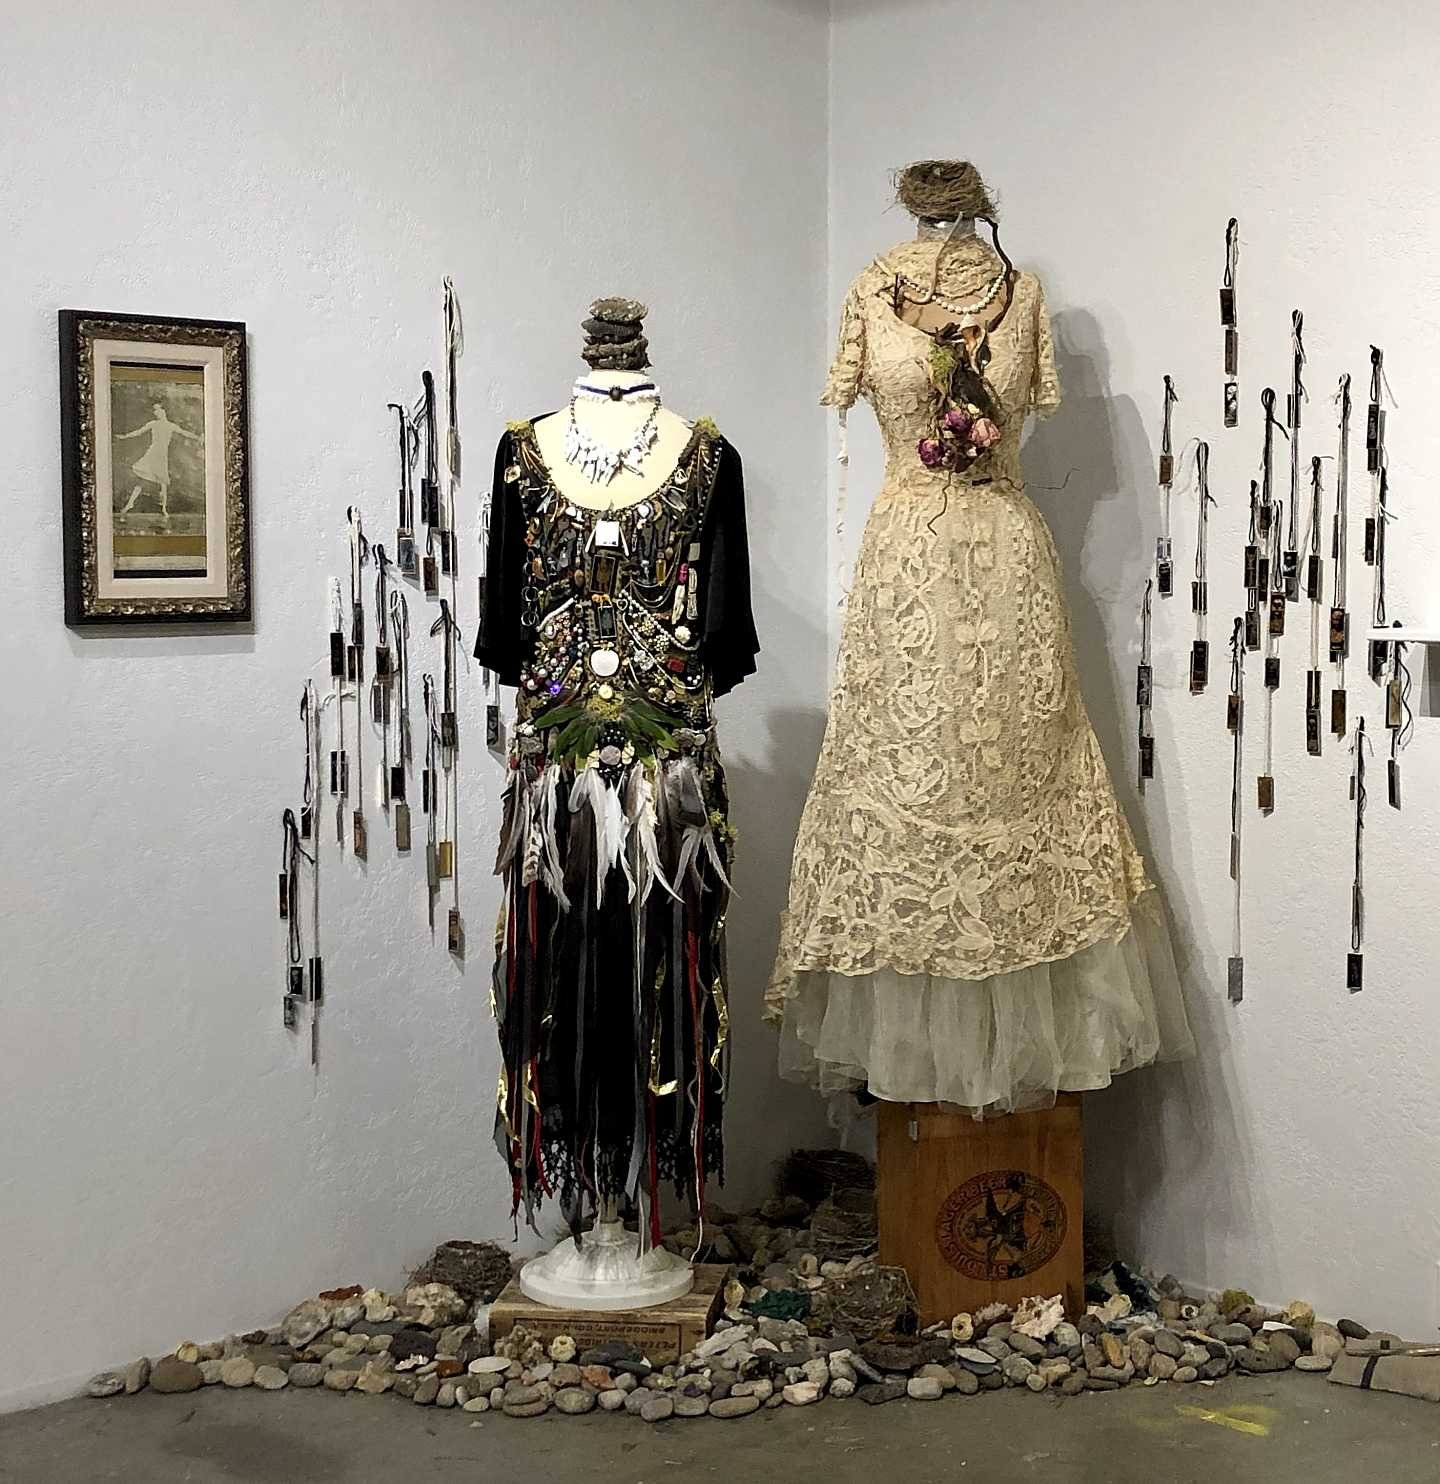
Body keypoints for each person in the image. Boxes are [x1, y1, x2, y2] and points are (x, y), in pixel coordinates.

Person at [115, 402, 199, 518]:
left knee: (163, 483)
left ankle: (163, 508)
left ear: (164, 411)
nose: (156, 412)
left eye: (158, 409)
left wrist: (198, 438)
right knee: (143, 480)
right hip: (152, 453)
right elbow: (139, 432)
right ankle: (130, 504)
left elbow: (184, 432)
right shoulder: (153, 424)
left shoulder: (171, 426)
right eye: (154, 410)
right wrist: (125, 436)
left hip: (162, 456)